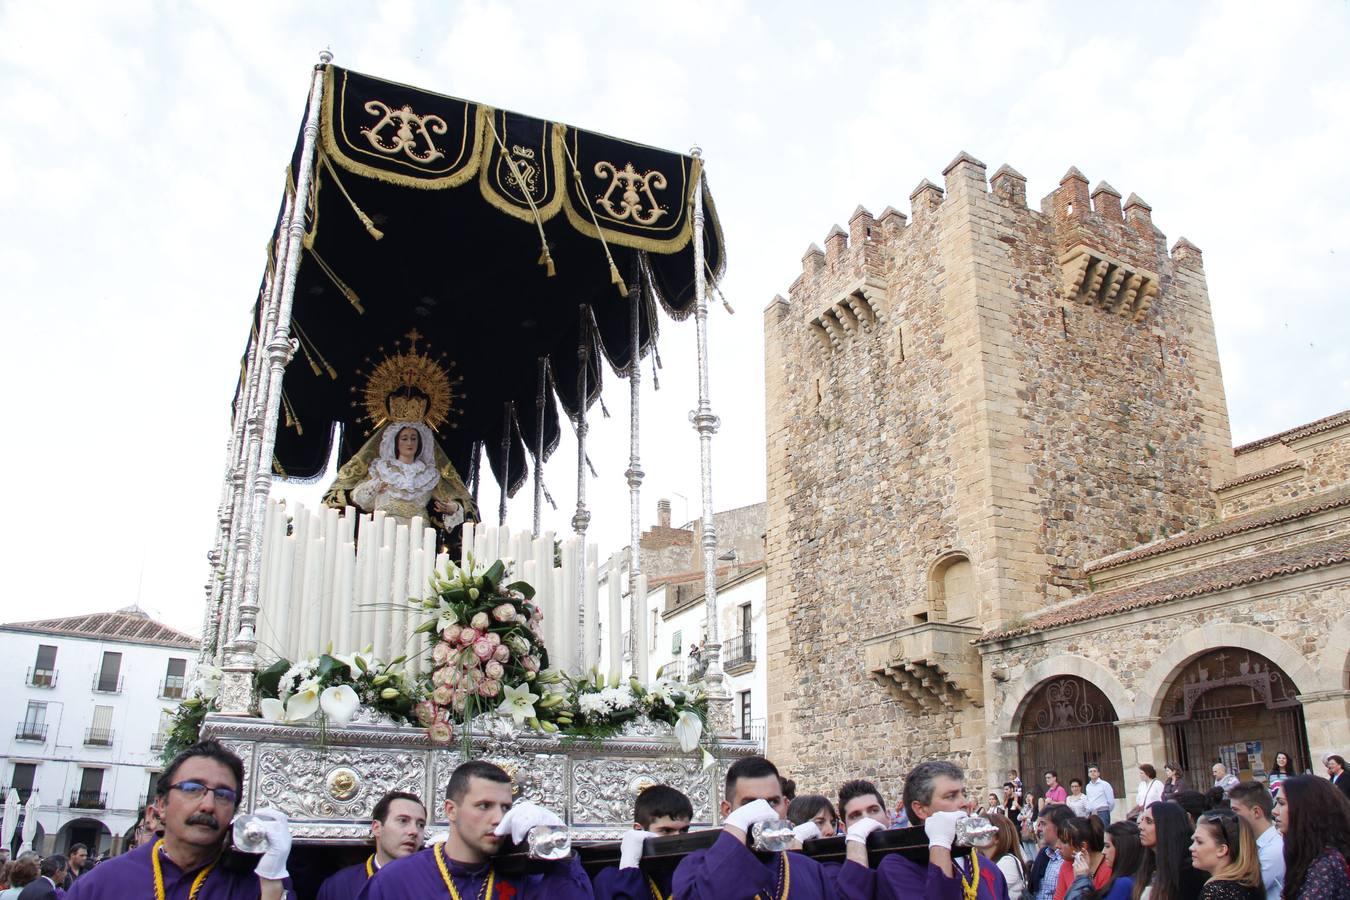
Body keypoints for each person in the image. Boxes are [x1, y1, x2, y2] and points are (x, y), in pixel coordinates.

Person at [66, 740, 292, 900]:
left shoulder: (257, 884)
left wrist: (271, 884)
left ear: (234, 813)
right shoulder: (101, 884)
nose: (208, 804)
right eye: (193, 788)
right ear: (161, 806)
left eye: (223, 795)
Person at [363, 760, 591, 899]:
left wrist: (560, 850)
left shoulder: (526, 876)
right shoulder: (396, 880)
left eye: (505, 807)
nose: (498, 818)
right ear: (451, 810)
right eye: (484, 806)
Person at [835, 759, 1010, 900]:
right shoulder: (897, 867)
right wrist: (940, 843)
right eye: (951, 796)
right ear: (920, 809)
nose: (964, 803)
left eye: (964, 793)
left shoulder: (986, 866)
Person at [672, 755, 831, 899]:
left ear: (785, 805)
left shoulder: (812, 871)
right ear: (728, 810)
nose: (764, 812)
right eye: (750, 804)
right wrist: (737, 825)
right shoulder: (696, 866)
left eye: (773, 802)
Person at [324, 418, 475, 537]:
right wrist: (374, 487)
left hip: (417, 533)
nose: (409, 443)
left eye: (413, 438)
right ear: (395, 442)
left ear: (420, 442)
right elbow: (359, 498)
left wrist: (453, 508)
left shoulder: (428, 474)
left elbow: (451, 500)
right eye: (404, 438)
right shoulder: (382, 469)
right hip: (384, 529)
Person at [318, 791, 426, 899]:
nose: (414, 831)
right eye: (403, 821)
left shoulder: (430, 885)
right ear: (376, 828)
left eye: (420, 825)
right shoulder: (339, 886)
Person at [592, 784, 693, 900]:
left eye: (683, 830)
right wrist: (629, 867)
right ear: (639, 830)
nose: (677, 838)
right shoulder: (608, 879)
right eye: (666, 830)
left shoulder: (693, 872)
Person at [1271, 775, 1350, 900]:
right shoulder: (1309, 854)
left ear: (1306, 808)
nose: (1274, 811)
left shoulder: (1324, 863)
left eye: (1281, 803)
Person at [1134, 801, 1206, 900]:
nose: (1140, 827)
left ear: (1167, 826)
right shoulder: (1148, 866)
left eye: (1149, 821)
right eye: (1141, 820)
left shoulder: (1187, 873)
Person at [1188, 809, 1263, 900]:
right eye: (1193, 841)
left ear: (1222, 850)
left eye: (1199, 842)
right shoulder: (1247, 883)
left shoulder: (1216, 892)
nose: (1191, 848)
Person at [1227, 783, 1284, 900]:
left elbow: (1243, 892)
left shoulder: (1273, 850)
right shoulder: (1254, 843)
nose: (1232, 817)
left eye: (1235, 810)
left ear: (1256, 812)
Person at [1065, 821, 1144, 900]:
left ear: (1123, 848)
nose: (1103, 852)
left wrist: (1081, 879)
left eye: (1107, 846)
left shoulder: (1124, 883)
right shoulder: (1131, 879)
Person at [1053, 817, 1110, 900]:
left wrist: (1082, 879)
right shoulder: (1067, 865)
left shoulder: (1108, 870)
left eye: (1064, 842)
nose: (1057, 846)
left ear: (1083, 846)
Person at [983, 813, 1029, 900]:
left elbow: (985, 892)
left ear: (997, 837)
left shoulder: (1007, 862)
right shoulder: (983, 860)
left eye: (983, 829)